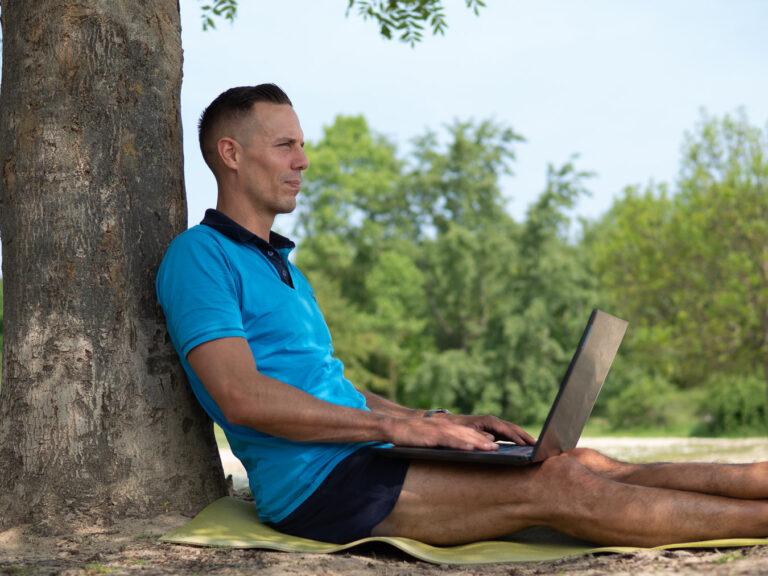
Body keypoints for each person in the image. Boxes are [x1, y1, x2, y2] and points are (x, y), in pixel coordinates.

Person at [157, 83, 768, 547]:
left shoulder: (285, 267)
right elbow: (241, 396)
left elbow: (330, 387)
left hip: (363, 456)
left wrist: (432, 419)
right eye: (285, 144)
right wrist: (396, 430)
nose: (303, 160)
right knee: (560, 486)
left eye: (302, 144)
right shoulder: (200, 258)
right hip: (318, 486)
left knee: (578, 462)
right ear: (231, 153)